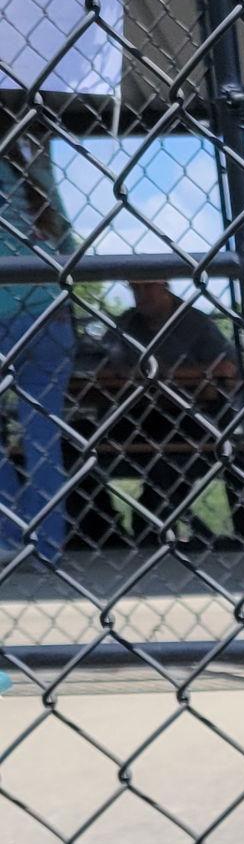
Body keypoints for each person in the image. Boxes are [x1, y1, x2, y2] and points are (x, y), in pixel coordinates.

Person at [95, 278, 241, 546]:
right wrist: (141, 376)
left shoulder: (194, 323)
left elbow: (226, 370)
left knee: (187, 447)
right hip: (138, 415)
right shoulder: (126, 324)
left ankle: (156, 525)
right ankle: (103, 529)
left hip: (191, 413)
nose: (141, 295)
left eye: (147, 287)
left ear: (165, 286)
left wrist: (165, 373)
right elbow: (102, 370)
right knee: (78, 439)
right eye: (135, 289)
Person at [0, 141, 76, 567]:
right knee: (43, 436)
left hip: (3, 310)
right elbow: (67, 236)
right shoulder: (34, 173)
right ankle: (46, 545)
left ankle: (8, 536)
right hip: (51, 314)